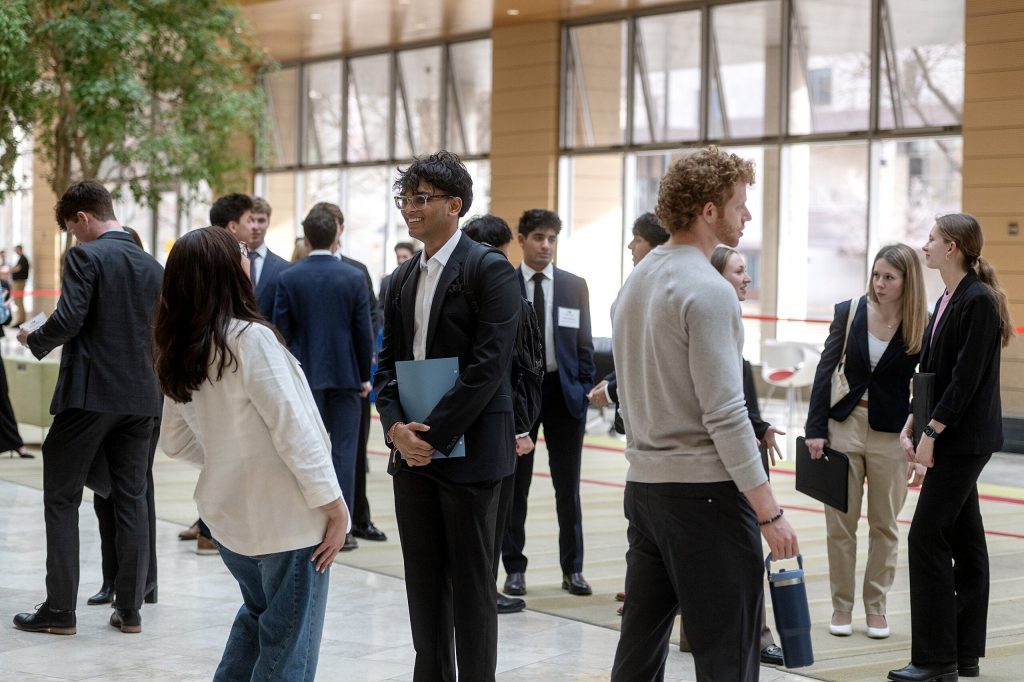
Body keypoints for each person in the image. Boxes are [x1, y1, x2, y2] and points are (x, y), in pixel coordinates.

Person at [609, 146, 798, 681]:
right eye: (740, 204)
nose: (747, 215)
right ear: (709, 211)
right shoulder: (709, 290)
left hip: (645, 490)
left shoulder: (635, 283)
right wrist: (768, 512)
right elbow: (726, 413)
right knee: (727, 657)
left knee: (638, 653)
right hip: (705, 497)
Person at [157, 226, 348, 681]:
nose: (249, 253)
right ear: (225, 269)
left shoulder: (183, 346)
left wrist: (230, 457)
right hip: (288, 520)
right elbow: (294, 430)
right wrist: (336, 508)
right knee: (288, 647)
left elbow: (174, 441)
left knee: (259, 618)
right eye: (241, 249)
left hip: (229, 519)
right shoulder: (250, 339)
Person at [375, 150, 520, 681]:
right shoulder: (401, 278)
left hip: (471, 452)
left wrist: (431, 437)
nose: (409, 209)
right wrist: (396, 429)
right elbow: (386, 366)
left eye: (421, 198)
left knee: (473, 590)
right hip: (413, 454)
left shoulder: (488, 269)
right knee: (424, 585)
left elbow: (489, 367)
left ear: (455, 205)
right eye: (405, 199)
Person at [13, 180, 163, 636]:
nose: (73, 238)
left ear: (82, 217)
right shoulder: (154, 265)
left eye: (71, 229)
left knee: (62, 497)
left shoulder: (86, 256)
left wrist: (33, 338)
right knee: (131, 499)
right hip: (142, 398)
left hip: (90, 395)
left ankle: (60, 610)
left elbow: (70, 317)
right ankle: (130, 609)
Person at [888, 214, 1013, 682]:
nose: (924, 246)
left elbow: (965, 379)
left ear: (952, 248)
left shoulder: (977, 300)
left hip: (964, 439)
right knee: (965, 538)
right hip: (950, 433)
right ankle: (964, 652)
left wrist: (932, 433)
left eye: (931, 239)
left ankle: (936, 659)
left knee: (925, 537)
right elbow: (930, 373)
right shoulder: (947, 298)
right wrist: (912, 420)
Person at [804, 243, 929, 641]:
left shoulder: (921, 322)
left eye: (889, 277)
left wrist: (921, 446)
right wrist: (815, 428)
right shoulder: (850, 311)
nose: (879, 283)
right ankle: (841, 606)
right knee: (840, 524)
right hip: (845, 424)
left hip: (894, 434)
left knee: (885, 525)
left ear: (907, 281)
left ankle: (876, 607)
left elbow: (927, 387)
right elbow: (825, 369)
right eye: (876, 275)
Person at [502, 208, 595, 598]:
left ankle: (573, 569)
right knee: (516, 486)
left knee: (567, 488)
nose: (546, 245)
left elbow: (585, 345)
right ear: (522, 240)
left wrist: (583, 387)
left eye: (552, 238)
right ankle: (514, 569)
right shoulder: (506, 283)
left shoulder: (574, 286)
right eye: (539, 237)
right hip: (522, 396)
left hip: (564, 394)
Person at [275, 207, 374, 552]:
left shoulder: (289, 277)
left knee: (307, 451)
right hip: (347, 376)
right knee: (345, 452)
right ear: (336, 236)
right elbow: (363, 332)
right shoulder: (353, 276)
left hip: (304, 376)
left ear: (306, 239)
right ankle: (343, 530)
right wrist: (364, 376)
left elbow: (281, 333)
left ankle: (310, 525)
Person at [710, 245, 788, 665]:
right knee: (740, 552)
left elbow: (737, 397)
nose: (747, 278)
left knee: (738, 552)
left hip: (741, 446)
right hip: (722, 457)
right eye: (739, 271)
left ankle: (749, 635)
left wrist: (760, 427)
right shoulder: (710, 319)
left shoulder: (731, 319)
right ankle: (752, 636)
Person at [462, 213, 537, 616]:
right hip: (496, 421)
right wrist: (521, 427)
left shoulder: (453, 289)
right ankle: (483, 593)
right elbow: (517, 368)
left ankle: (471, 590)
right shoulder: (506, 294)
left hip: (455, 420)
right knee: (490, 517)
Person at [86, 226, 160, 607]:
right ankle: (114, 579)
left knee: (134, 492)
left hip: (143, 400)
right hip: (115, 400)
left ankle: (142, 581)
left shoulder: (152, 286)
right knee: (106, 493)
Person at [312, 201, 388, 544]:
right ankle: (326, 523)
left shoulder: (357, 270)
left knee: (353, 452)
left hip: (351, 374)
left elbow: (370, 316)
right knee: (320, 449)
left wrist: (364, 366)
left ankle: (357, 519)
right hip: (323, 375)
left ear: (341, 228)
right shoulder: (299, 271)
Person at [589, 212, 668, 419]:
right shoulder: (639, 281)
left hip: (653, 411)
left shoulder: (662, 287)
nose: (630, 246)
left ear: (657, 246)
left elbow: (651, 357)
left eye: (638, 239)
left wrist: (611, 390)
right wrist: (612, 379)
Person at [247, 196, 291, 321]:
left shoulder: (284, 268)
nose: (255, 226)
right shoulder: (230, 262)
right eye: (250, 220)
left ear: (268, 222)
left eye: (261, 220)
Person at [10, 244, 30, 327]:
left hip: (19, 283)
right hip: (18, 282)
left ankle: (21, 321)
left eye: (16, 250)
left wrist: (8, 270)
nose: (15, 251)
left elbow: (17, 268)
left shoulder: (23, 258)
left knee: (18, 301)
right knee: (17, 302)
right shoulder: (21, 258)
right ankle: (20, 320)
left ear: (20, 249)